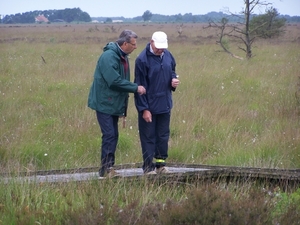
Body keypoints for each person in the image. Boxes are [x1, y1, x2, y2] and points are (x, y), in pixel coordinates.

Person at [88, 30, 146, 178]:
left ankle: (108, 168)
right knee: (109, 134)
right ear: (125, 43)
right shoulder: (109, 56)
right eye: (133, 44)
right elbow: (114, 81)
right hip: (104, 102)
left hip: (112, 102)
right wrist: (135, 88)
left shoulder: (122, 56)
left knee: (113, 135)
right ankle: (106, 170)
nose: (135, 47)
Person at [134, 31, 180, 175]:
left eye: (163, 47)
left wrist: (174, 81)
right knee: (148, 137)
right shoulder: (142, 60)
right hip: (150, 106)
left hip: (165, 104)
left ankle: (161, 165)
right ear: (151, 42)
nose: (161, 50)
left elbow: (172, 71)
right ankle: (148, 168)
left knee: (163, 135)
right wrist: (144, 109)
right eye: (158, 47)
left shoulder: (168, 55)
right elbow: (139, 86)